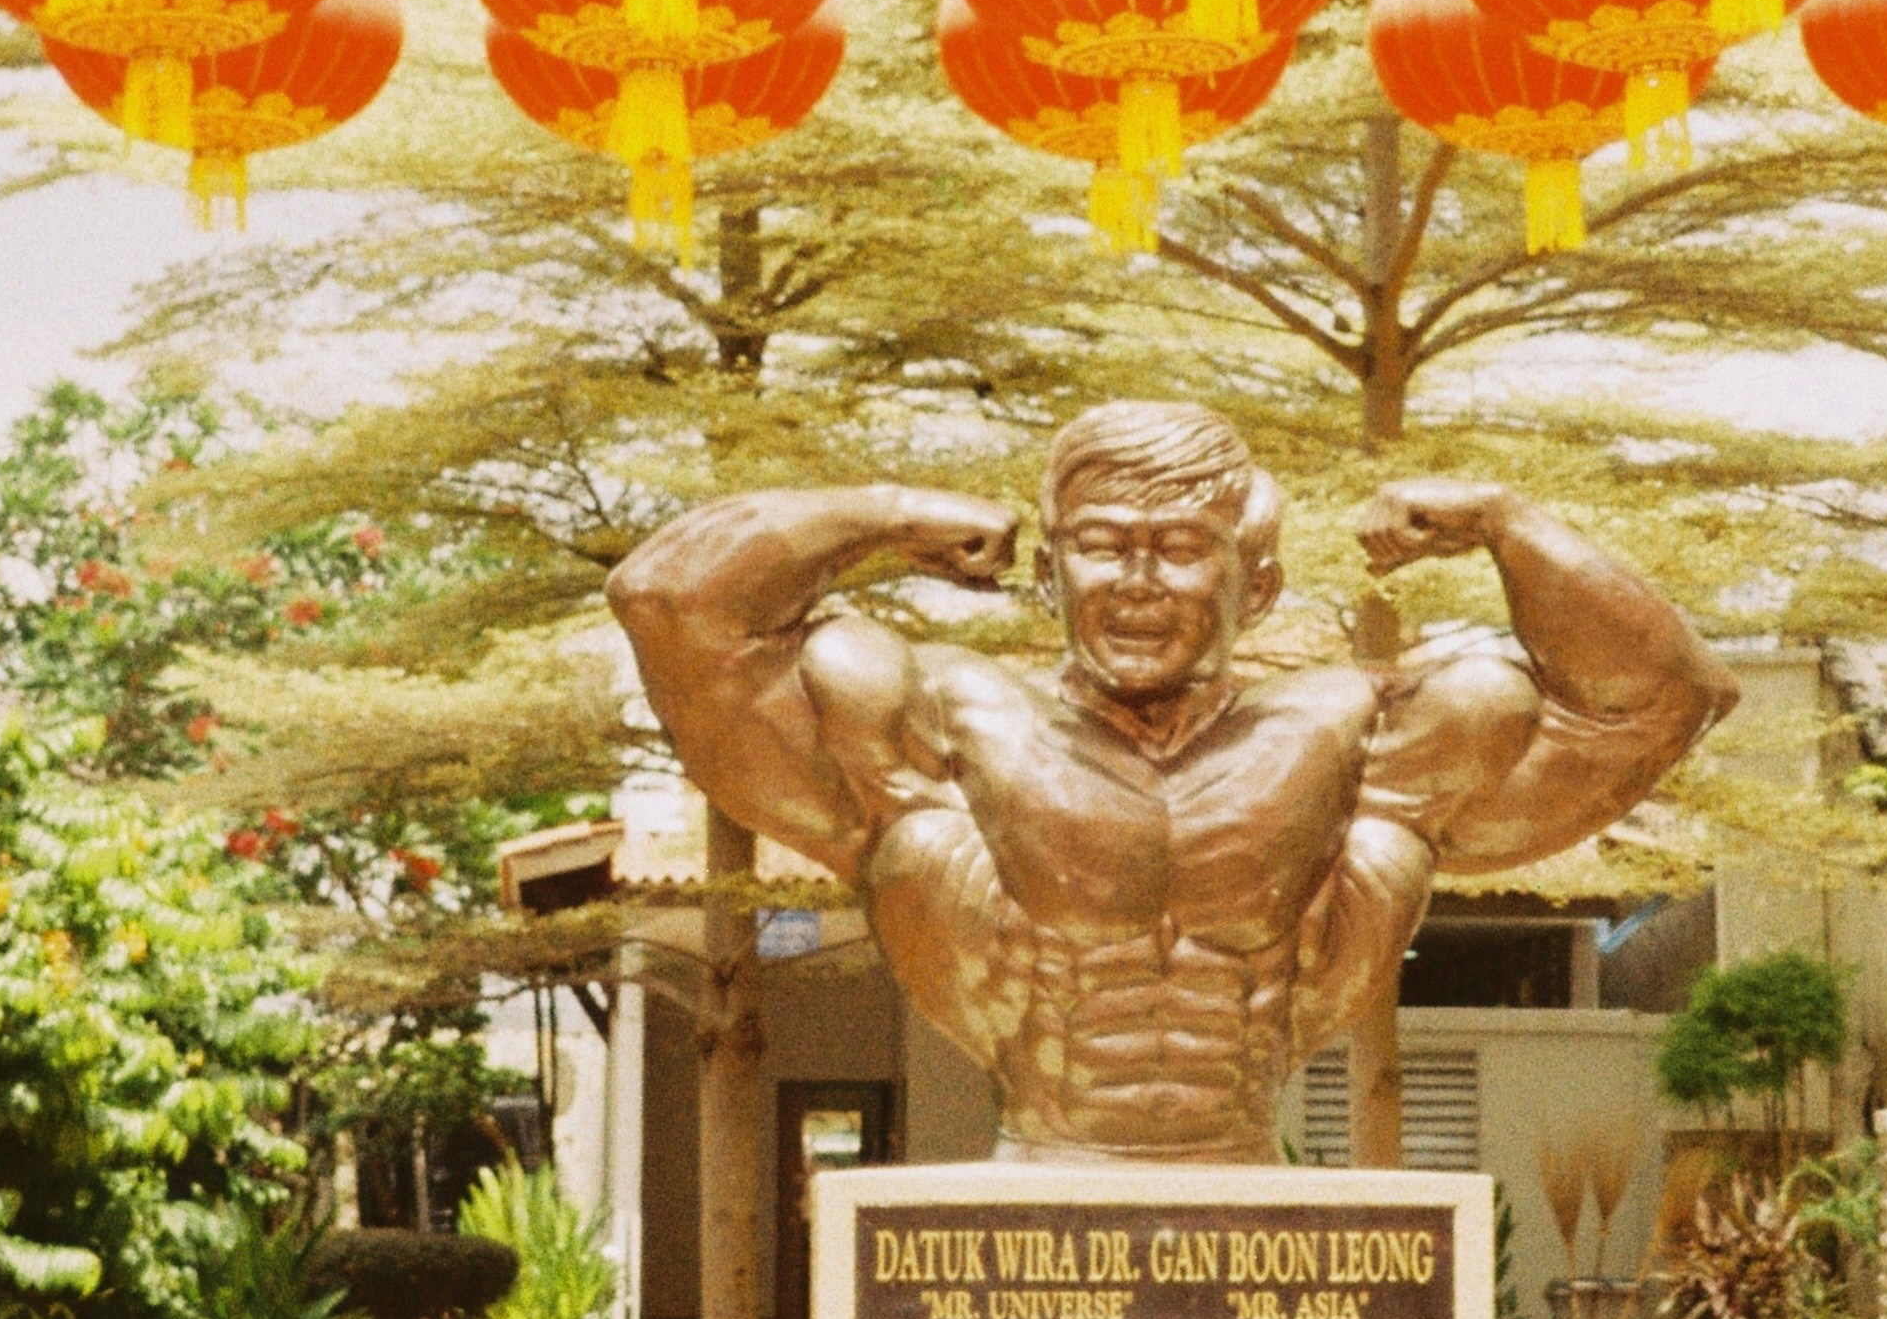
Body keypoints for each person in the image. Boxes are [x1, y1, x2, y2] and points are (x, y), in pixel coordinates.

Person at [607, 400, 1732, 1165]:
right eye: (1102, 544)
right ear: (1049, 572)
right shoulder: (934, 720)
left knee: (1417, 798)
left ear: (1262, 581)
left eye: (1183, 548)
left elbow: (1659, 697)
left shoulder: (1362, 736)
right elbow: (669, 603)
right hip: (1034, 1163)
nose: (1138, 582)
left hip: (1247, 1162)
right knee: (912, 834)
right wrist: (885, 513)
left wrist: (1505, 521)